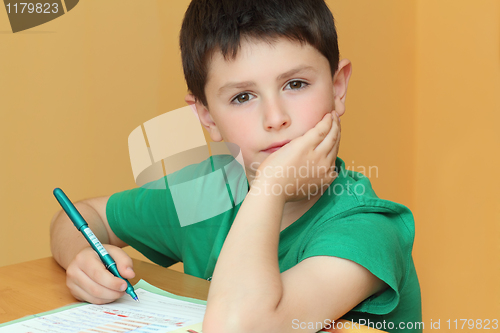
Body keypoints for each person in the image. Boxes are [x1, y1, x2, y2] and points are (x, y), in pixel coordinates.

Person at [50, 0, 422, 332]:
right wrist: (82, 259)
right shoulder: (208, 194)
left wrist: (269, 185)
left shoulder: (366, 229)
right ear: (208, 117)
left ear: (338, 87)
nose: (275, 118)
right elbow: (78, 216)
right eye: (242, 97)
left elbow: (240, 328)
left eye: (296, 83)